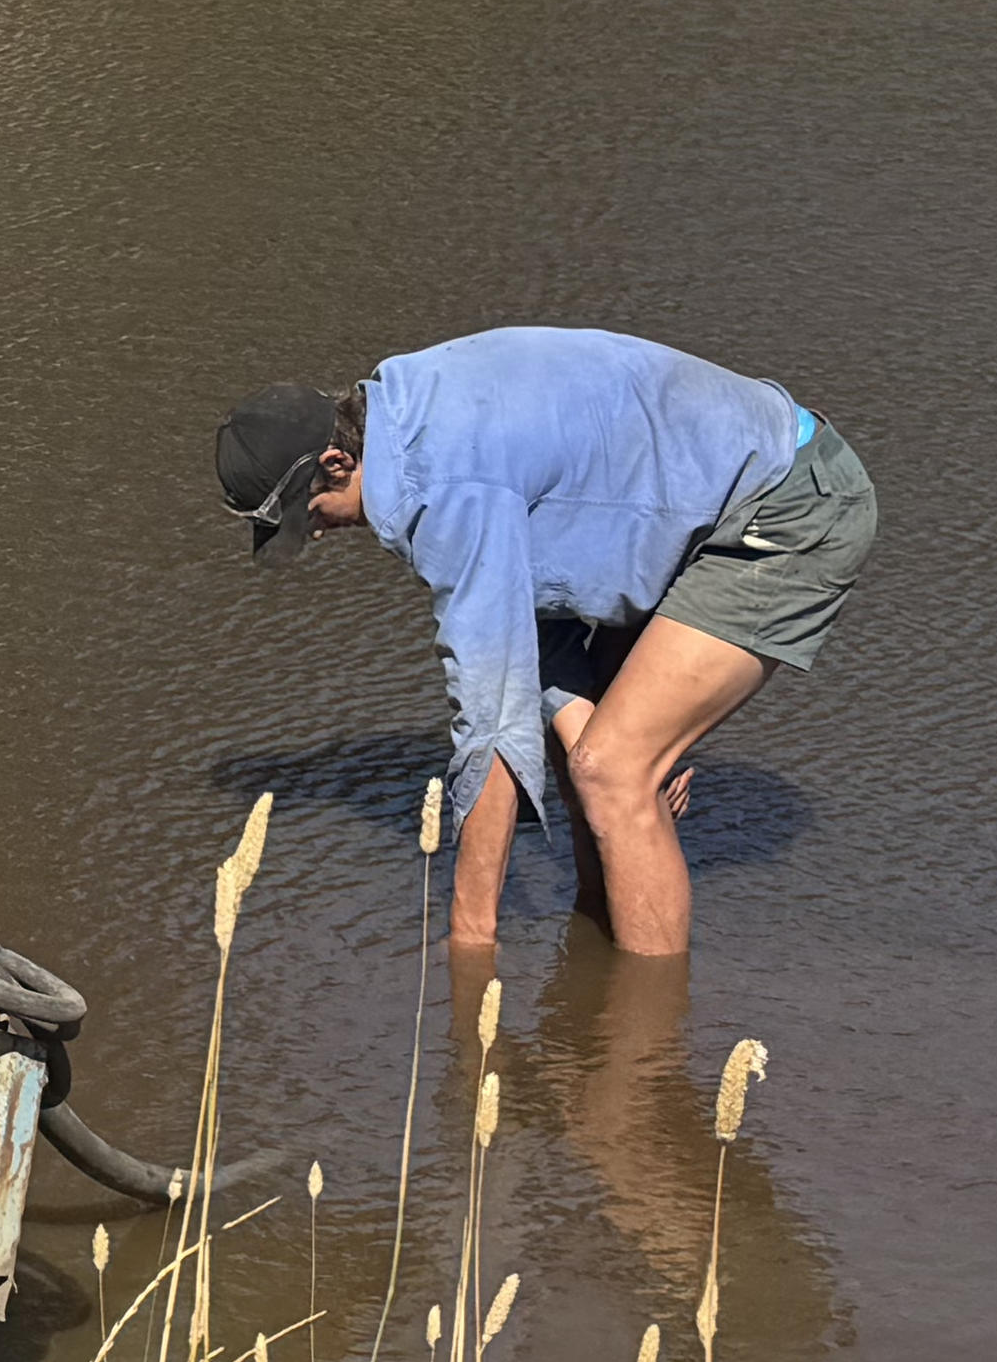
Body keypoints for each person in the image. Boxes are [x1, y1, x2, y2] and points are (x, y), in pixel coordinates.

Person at [215, 329, 878, 956]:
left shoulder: (441, 485)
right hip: (684, 498)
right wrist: (604, 727)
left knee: (611, 769)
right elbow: (532, 626)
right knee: (585, 753)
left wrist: (470, 942)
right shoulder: (401, 408)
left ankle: (647, 1051)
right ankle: (593, 987)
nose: (322, 534)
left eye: (312, 516)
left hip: (785, 504)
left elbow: (493, 729)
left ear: (337, 461)